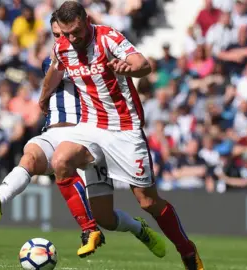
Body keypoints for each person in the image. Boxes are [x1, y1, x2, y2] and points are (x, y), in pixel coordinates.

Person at [44, 2, 203, 269]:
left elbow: (142, 63)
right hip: (90, 127)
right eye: (66, 34)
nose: (72, 39)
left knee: (147, 202)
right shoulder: (62, 47)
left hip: (125, 130)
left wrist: (131, 69)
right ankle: (89, 229)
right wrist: (43, 97)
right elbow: (55, 70)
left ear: (86, 19)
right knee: (61, 160)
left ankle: (187, 250)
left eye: (76, 32)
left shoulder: (107, 37)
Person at [0, 13, 108, 258]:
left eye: (65, 35)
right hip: (54, 132)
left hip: (85, 132)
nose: (61, 40)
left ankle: (138, 229)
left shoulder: (89, 58)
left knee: (110, 216)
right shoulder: (51, 62)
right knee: (29, 157)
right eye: (56, 35)